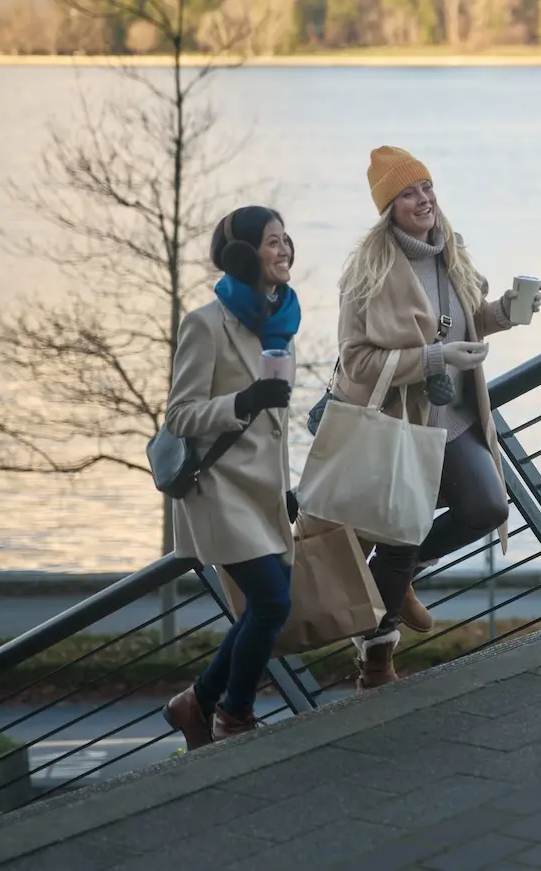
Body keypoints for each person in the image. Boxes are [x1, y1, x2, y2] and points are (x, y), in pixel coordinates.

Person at [333, 146, 541, 689]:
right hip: (399, 430)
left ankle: (401, 577)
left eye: (426, 186)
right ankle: (375, 663)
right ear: (389, 207)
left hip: (456, 421)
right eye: (408, 193)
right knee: (397, 540)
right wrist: (432, 359)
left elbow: (463, 322)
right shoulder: (367, 273)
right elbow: (356, 361)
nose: (423, 199)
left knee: (486, 507)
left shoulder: (452, 250)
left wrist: (502, 314)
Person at [162, 207, 299, 747]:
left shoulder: (281, 321)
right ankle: (233, 714)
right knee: (272, 603)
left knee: (270, 603)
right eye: (272, 241)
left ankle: (195, 702)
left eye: (286, 239)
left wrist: (285, 488)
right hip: (218, 488)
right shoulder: (205, 324)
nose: (285, 249)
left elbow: (276, 425)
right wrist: (243, 401)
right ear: (244, 254)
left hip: (263, 489)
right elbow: (180, 415)